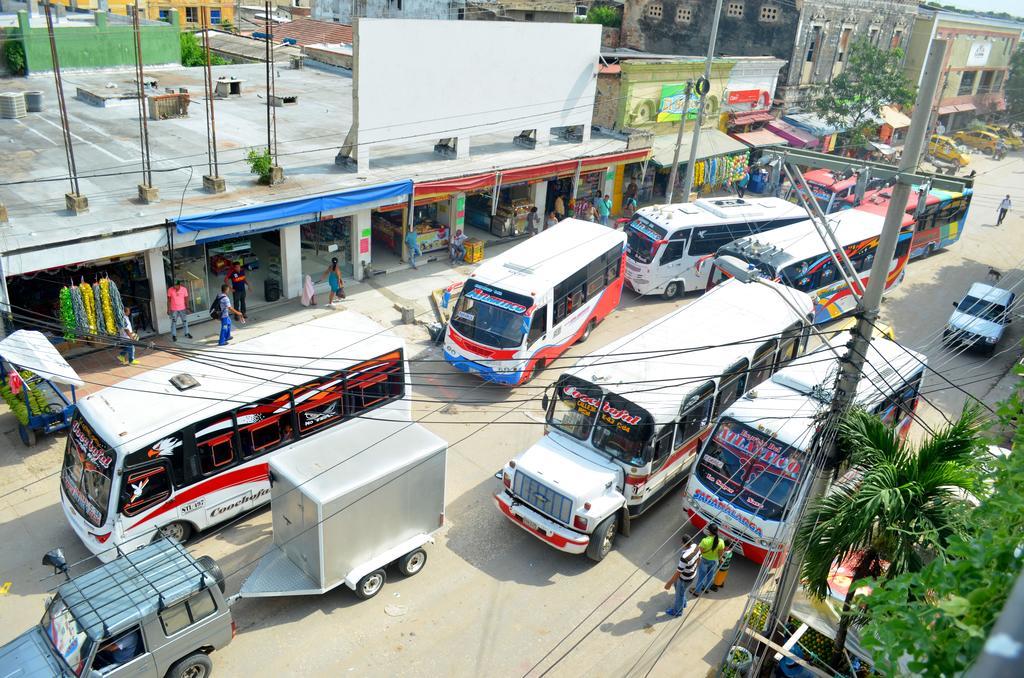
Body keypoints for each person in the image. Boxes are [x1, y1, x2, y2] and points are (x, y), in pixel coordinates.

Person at [663, 538, 700, 617]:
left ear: (683, 544)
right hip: (691, 575)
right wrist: (694, 568)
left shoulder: (684, 557)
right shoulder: (696, 547)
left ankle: (677, 612)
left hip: (684, 578)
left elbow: (678, 572)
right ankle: (683, 603)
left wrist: (669, 583)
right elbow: (699, 558)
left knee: (679, 594)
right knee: (680, 590)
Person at [692, 524, 727, 596]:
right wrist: (720, 560)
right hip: (714, 562)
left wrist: (695, 561)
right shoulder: (721, 541)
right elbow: (720, 554)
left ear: (709, 531)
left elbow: (699, 553)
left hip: (704, 561)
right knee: (710, 576)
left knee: (701, 577)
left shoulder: (705, 541)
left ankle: (697, 591)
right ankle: (706, 588)